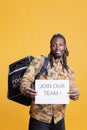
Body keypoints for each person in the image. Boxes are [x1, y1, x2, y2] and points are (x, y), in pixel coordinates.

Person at [20, 33, 80, 130]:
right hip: (38, 118)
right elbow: (26, 79)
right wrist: (25, 89)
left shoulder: (68, 70)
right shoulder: (39, 61)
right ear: (50, 46)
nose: (57, 48)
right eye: (54, 44)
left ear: (65, 47)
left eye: (60, 45)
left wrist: (76, 94)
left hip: (59, 120)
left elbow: (74, 90)